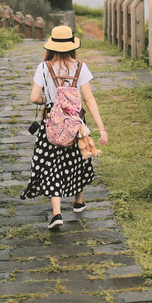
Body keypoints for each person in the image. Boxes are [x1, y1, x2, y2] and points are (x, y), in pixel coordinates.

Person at [20, 25, 109, 229]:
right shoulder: (80, 67)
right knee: (78, 158)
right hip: (76, 123)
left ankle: (57, 213)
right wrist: (102, 127)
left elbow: (34, 97)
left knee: (51, 163)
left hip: (53, 122)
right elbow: (89, 99)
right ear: (71, 46)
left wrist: (50, 102)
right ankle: (78, 201)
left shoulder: (43, 67)